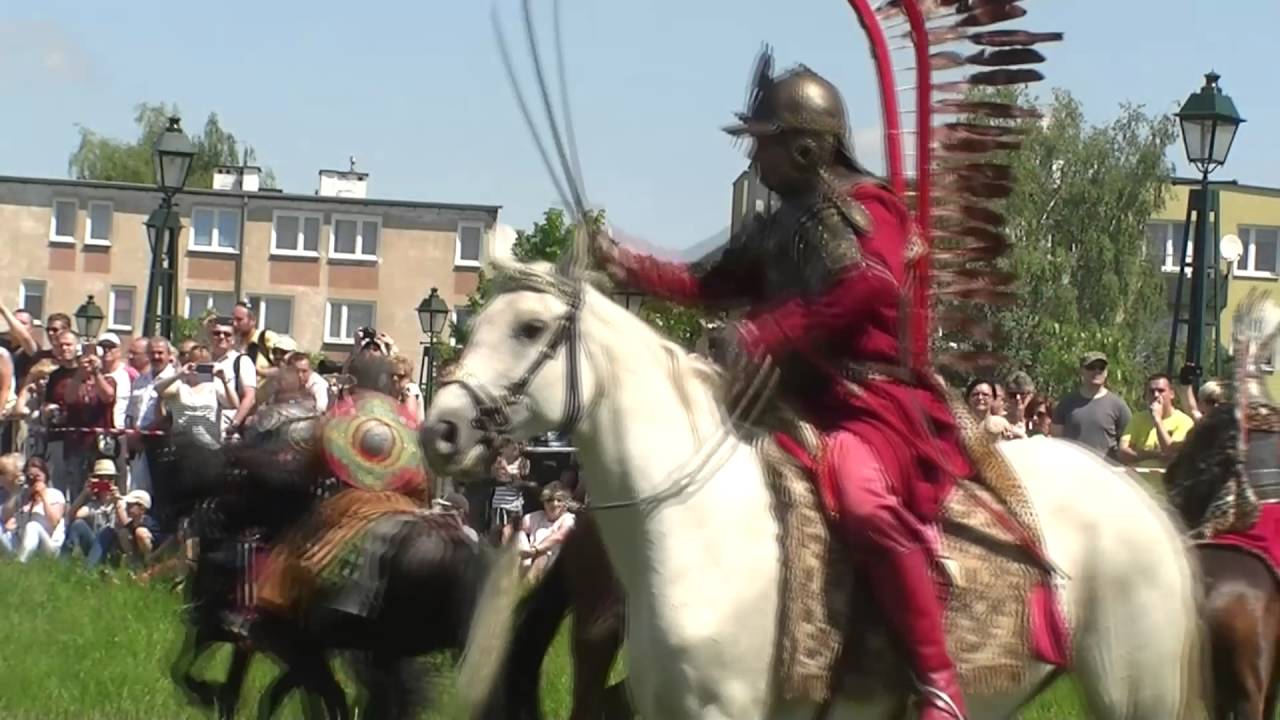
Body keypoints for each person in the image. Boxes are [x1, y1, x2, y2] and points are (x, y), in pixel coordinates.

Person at [591, 54, 972, 718]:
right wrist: (629, 264)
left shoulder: (866, 209)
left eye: (761, 143)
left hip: (870, 405)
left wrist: (768, 334)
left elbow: (868, 286)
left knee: (860, 499)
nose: (754, 157)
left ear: (802, 146)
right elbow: (708, 283)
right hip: (794, 401)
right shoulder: (778, 221)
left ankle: (938, 681)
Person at [1050, 352, 1132, 459]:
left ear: (1106, 372)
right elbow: (1056, 440)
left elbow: (1129, 441)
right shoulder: (1066, 403)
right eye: (1091, 367)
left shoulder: (1118, 405)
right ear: (1081, 371)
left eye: (1101, 368)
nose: (1096, 371)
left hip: (1106, 471)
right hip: (1072, 469)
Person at [1117, 373, 1195, 478]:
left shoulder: (1184, 422)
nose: (1156, 395)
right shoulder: (1138, 419)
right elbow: (1123, 452)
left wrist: (1157, 420)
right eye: (1152, 391)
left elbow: (1171, 454)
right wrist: (1155, 455)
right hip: (1140, 484)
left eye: (1161, 391)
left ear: (1171, 394)